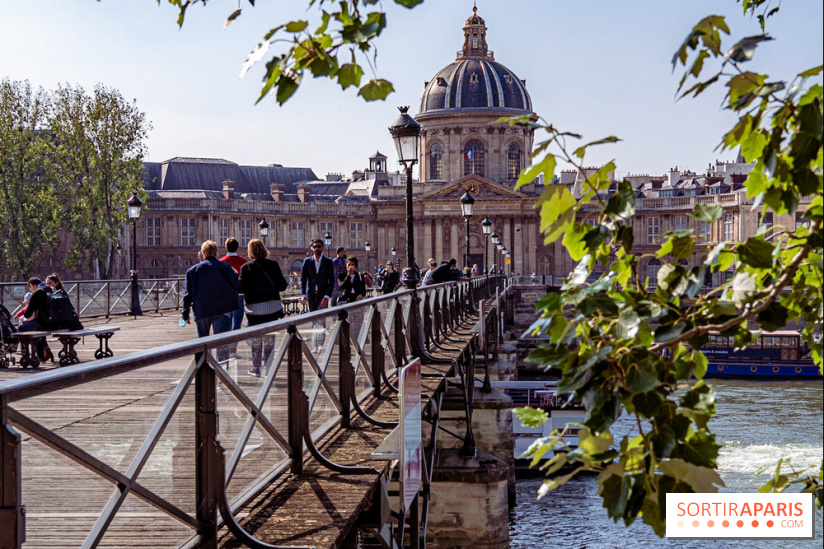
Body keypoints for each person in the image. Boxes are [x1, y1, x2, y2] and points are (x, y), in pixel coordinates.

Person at [181, 240, 240, 360]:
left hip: (202, 309)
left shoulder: (192, 271)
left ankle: (204, 367)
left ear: (202, 253)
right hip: (222, 309)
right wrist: (235, 274)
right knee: (222, 343)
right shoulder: (225, 267)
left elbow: (188, 294)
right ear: (216, 252)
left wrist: (185, 314)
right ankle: (221, 370)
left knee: (203, 342)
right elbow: (237, 286)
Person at [239, 239, 289, 376]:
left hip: (254, 310)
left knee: (256, 338)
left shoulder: (246, 267)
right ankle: (268, 368)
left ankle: (256, 368)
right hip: (272, 308)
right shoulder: (273, 265)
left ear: (250, 252)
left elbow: (240, 288)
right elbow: (282, 286)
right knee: (269, 338)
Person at [220, 237, 248, 358]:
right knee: (236, 323)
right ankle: (233, 350)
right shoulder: (244, 262)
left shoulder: (221, 262)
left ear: (226, 247)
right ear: (237, 247)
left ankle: (224, 350)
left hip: (224, 296)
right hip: (239, 295)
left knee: (225, 323)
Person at [17, 277, 54, 362]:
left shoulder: (37, 294)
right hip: (52, 323)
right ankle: (42, 353)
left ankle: (25, 353)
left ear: (32, 285)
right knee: (40, 330)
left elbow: (27, 314)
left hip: (41, 324)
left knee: (21, 327)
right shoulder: (50, 291)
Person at [300, 239, 335, 311]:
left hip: (323, 296)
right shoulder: (307, 261)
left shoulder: (328, 261)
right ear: (312, 248)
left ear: (322, 247)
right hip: (311, 295)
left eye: (319, 246)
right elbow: (303, 279)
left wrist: (327, 296)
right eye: (314, 246)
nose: (317, 248)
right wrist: (303, 294)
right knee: (313, 319)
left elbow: (331, 280)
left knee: (322, 320)